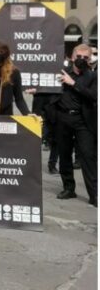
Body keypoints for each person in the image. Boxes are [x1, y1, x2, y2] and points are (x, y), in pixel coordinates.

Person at [53, 44, 97, 205]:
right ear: (72, 57)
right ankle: (69, 189)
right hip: (63, 119)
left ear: (90, 59)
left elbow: (94, 96)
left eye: (86, 57)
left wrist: (74, 84)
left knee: (88, 156)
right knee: (64, 155)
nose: (82, 60)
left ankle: (95, 194)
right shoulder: (61, 73)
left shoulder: (93, 76)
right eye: (79, 57)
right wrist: (36, 91)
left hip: (83, 121)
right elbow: (49, 91)